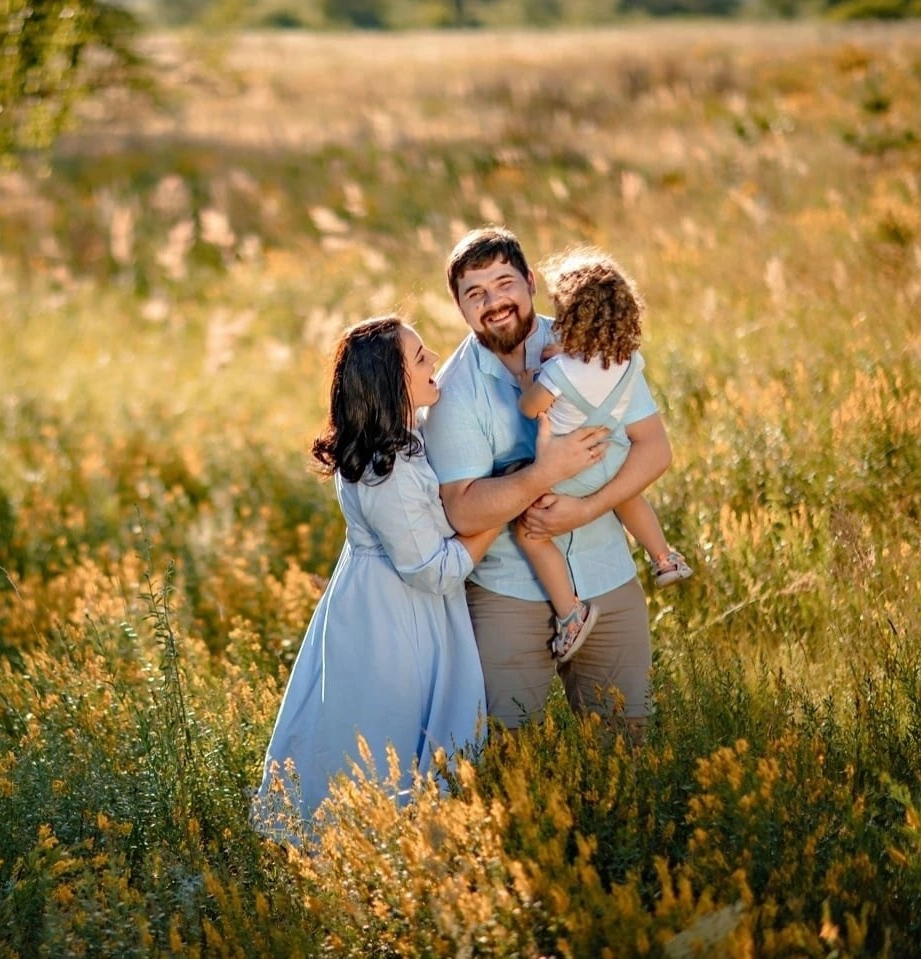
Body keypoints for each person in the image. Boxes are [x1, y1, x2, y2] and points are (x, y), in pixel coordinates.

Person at [421, 226, 673, 738]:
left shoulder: (593, 343)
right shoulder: (452, 392)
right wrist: (545, 473)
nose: (494, 302)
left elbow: (655, 448)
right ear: (460, 306)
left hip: (607, 576)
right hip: (506, 592)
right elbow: (463, 511)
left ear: (530, 281)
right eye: (476, 293)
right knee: (508, 748)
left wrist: (586, 509)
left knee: (627, 745)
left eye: (504, 282)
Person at [253, 315, 496, 836]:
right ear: (392, 381)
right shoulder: (386, 471)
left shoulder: (397, 444)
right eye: (420, 357)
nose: (434, 363)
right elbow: (433, 572)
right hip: (391, 621)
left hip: (378, 604)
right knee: (382, 734)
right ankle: (372, 851)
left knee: (375, 734)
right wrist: (500, 509)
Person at [512, 248, 693, 665]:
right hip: (609, 460)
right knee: (628, 498)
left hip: (565, 470)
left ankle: (571, 613)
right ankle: (664, 557)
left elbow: (531, 407)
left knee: (531, 534)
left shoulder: (560, 372)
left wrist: (529, 380)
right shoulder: (628, 361)